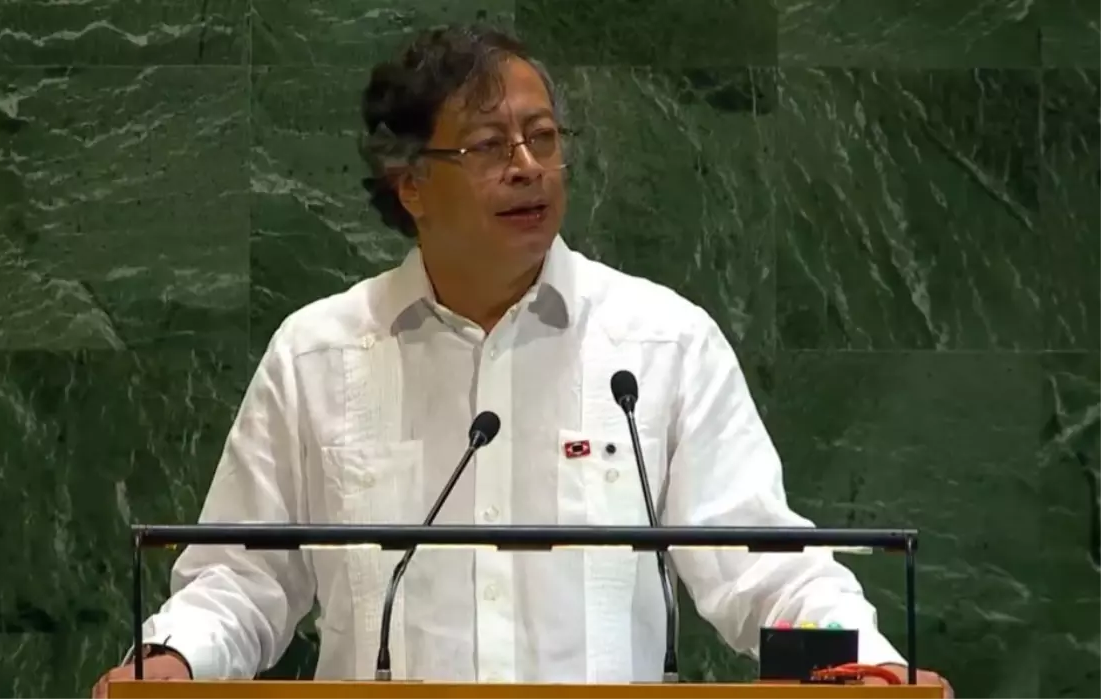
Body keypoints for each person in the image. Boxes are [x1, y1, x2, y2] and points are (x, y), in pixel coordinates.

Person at [93, 23, 952, 698]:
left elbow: (763, 568)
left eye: (542, 137)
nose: (529, 167)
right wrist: (173, 658)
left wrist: (864, 666)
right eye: (489, 147)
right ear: (410, 183)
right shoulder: (319, 355)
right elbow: (243, 577)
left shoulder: (661, 344)